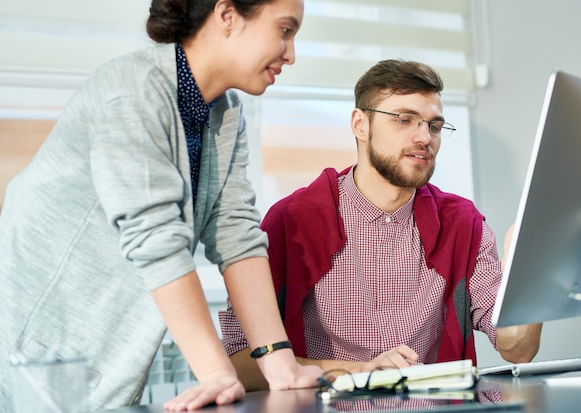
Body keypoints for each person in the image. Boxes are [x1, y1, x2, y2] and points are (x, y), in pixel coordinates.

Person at [0, 0, 323, 411]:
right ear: (227, 16)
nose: (291, 54)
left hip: (104, 356)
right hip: (35, 354)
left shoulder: (223, 111)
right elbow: (156, 237)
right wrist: (216, 372)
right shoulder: (131, 91)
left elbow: (235, 233)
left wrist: (281, 365)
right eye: (285, 30)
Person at [219, 59, 543, 391]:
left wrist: (527, 271)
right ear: (360, 124)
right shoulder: (292, 222)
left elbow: (517, 350)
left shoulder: (463, 224)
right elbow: (239, 363)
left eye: (434, 125)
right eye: (405, 120)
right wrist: (358, 371)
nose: (424, 137)